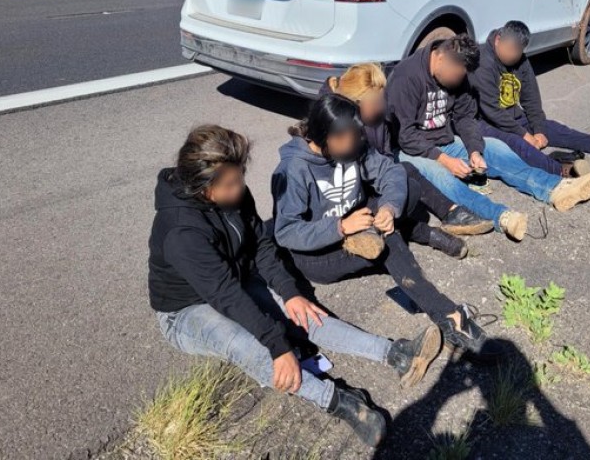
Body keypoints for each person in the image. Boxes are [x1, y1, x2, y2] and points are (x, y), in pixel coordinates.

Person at [148, 125, 445, 449]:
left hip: (235, 279)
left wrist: (290, 294)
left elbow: (261, 245)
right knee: (250, 346)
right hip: (187, 311)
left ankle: (396, 353)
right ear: (206, 189)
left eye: (240, 177)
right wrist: (277, 346)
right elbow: (226, 297)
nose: (242, 187)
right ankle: (339, 401)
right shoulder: (181, 232)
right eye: (232, 184)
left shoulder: (233, 192)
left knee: (304, 312)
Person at [271, 95, 503, 364]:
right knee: (389, 242)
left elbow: (391, 172)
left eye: (358, 135)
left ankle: (414, 236)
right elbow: (287, 232)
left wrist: (389, 208)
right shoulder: (293, 169)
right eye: (349, 138)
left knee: (407, 192)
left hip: (359, 223)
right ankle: (449, 316)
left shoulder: (353, 143)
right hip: (320, 253)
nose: (357, 142)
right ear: (326, 137)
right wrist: (341, 227)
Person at [386, 34, 590, 240]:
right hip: (409, 150)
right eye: (457, 75)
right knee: (440, 176)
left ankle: (556, 188)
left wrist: (474, 150)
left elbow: (465, 118)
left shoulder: (460, 75)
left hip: (443, 140)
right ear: (441, 58)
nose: (459, 80)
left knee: (494, 147)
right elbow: (405, 135)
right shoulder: (407, 77)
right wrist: (444, 160)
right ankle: (500, 216)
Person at [323, 63, 493, 259]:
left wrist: (386, 180)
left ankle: (451, 213)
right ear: (358, 103)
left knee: (406, 173)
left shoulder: (377, 120)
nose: (383, 106)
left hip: (374, 180)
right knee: (404, 193)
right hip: (350, 195)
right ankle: (427, 233)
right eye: (377, 102)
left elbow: (386, 156)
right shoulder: (335, 125)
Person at [469, 20, 590, 176]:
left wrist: (538, 129)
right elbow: (492, 111)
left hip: (512, 117)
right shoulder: (483, 63)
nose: (514, 56)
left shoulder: (519, 59)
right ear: (498, 40)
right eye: (510, 50)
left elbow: (531, 99)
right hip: (485, 123)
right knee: (519, 144)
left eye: (518, 52)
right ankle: (565, 171)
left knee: (556, 129)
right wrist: (524, 135)